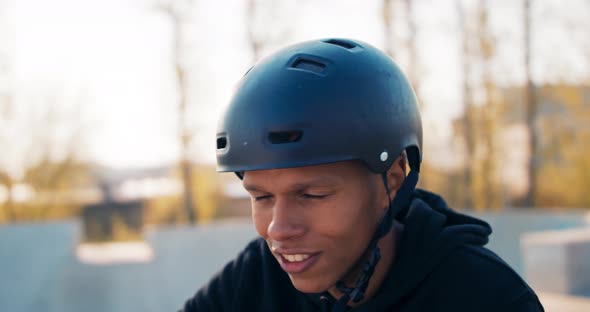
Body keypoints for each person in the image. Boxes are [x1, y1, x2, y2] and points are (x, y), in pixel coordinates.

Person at [180, 38, 544, 312]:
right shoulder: (255, 279)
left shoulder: (487, 298)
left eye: (312, 195)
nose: (278, 229)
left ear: (394, 179)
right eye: (261, 197)